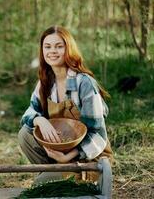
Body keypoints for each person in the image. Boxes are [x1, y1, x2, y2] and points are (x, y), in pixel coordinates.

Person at [18, 26, 113, 183]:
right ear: (42, 51)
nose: (52, 51)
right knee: (25, 135)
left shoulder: (84, 83)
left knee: (41, 184)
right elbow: (29, 112)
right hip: (60, 153)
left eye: (59, 46)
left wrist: (68, 157)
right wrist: (39, 120)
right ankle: (52, 175)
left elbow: (98, 134)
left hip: (89, 158)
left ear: (68, 48)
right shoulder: (45, 83)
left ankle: (61, 179)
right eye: (47, 47)